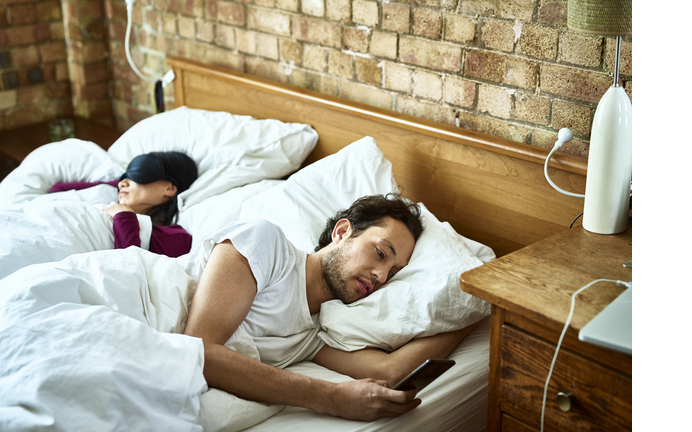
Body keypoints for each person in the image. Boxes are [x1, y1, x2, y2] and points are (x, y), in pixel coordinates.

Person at [182, 193, 482, 421]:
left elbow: (390, 372)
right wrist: (331, 397)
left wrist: (479, 306)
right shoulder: (267, 245)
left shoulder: (316, 332)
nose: (381, 276)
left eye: (392, 273)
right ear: (341, 232)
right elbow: (198, 352)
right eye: (380, 253)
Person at [49, 151, 197, 258]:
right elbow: (57, 192)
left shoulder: (173, 238)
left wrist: (124, 217)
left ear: (169, 188)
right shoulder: (106, 194)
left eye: (137, 174)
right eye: (124, 176)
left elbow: (126, 270)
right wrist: (119, 184)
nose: (122, 183)